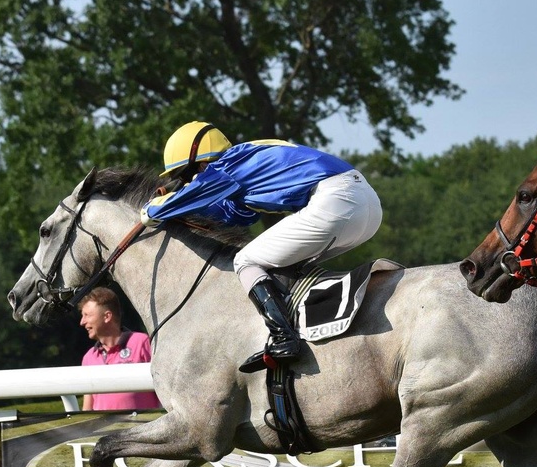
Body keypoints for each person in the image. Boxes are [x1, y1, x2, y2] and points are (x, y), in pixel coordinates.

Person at [139, 121, 383, 372]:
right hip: (368, 205)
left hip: (336, 201)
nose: (186, 182)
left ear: (201, 164)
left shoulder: (227, 164)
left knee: (245, 261)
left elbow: (187, 197)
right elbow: (237, 214)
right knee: (283, 265)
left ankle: (283, 338)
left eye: (185, 176)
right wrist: (185, 210)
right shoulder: (245, 161)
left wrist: (152, 208)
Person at [78, 287, 161, 411]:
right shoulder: (89, 357)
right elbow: (87, 407)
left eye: (87, 315)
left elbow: (163, 389)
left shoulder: (141, 342)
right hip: (103, 424)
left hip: (144, 423)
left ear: (107, 316)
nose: (82, 322)